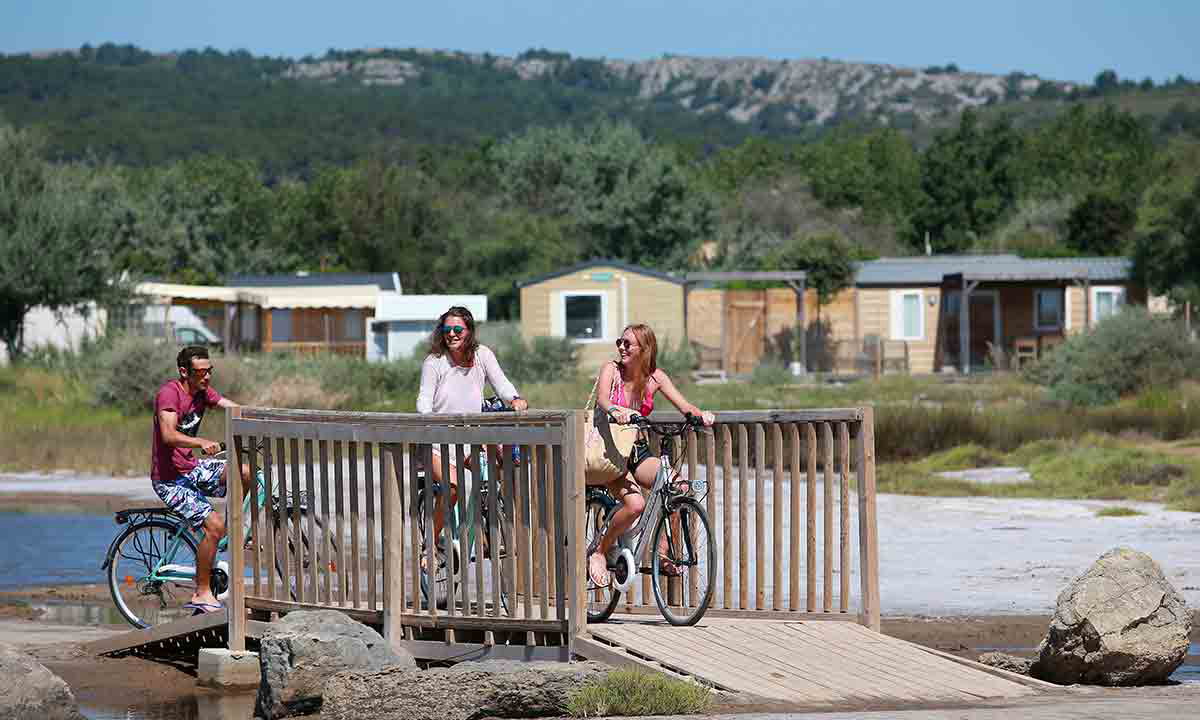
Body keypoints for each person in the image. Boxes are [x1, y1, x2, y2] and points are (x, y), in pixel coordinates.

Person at [587, 323, 715, 588]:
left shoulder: (655, 377)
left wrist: (701, 415)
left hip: (638, 451)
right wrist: (615, 410)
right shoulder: (611, 369)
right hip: (611, 452)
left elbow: (684, 405)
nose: (621, 347)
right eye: (619, 342)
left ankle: (663, 553)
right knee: (636, 506)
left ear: (644, 349)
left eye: (627, 344)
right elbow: (602, 399)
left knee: (678, 487)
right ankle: (600, 550)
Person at [416, 306, 527, 547]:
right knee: (452, 489)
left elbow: (502, 384)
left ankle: (487, 525)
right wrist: (427, 417)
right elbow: (424, 398)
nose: (452, 334)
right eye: (447, 330)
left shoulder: (482, 355)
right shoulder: (434, 361)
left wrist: (515, 399)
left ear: (469, 331)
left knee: (496, 473)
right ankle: (429, 545)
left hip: (470, 440)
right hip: (437, 441)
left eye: (458, 329)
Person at [150, 345, 246, 614]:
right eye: (201, 372)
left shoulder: (203, 392)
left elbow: (232, 407)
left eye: (209, 371)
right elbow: (168, 436)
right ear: (184, 372)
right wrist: (200, 441)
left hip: (192, 469)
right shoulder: (169, 394)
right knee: (214, 526)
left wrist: (261, 422)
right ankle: (201, 593)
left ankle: (239, 527)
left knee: (246, 472)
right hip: (169, 480)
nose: (206, 377)